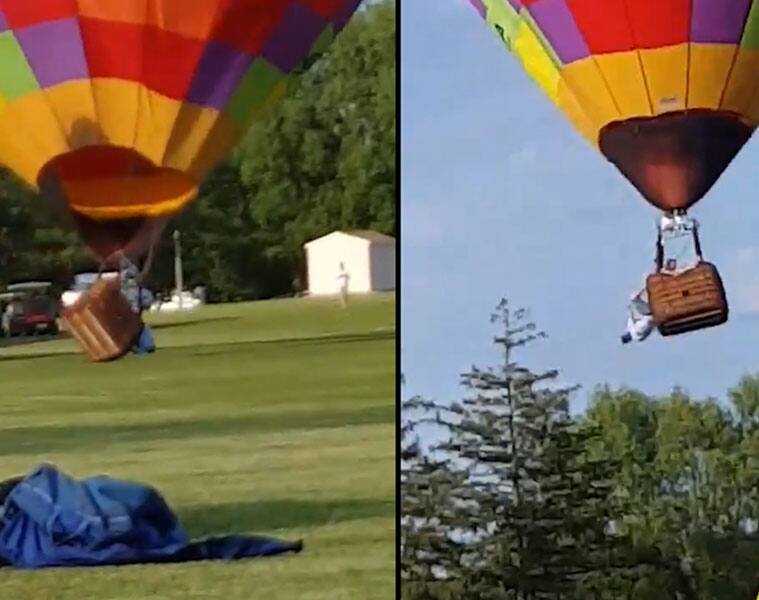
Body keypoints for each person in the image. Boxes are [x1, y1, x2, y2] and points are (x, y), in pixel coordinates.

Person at [119, 254, 155, 355]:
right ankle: (134, 345)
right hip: (131, 299)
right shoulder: (129, 272)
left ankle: (139, 345)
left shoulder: (127, 273)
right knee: (134, 323)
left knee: (135, 323)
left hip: (132, 298)